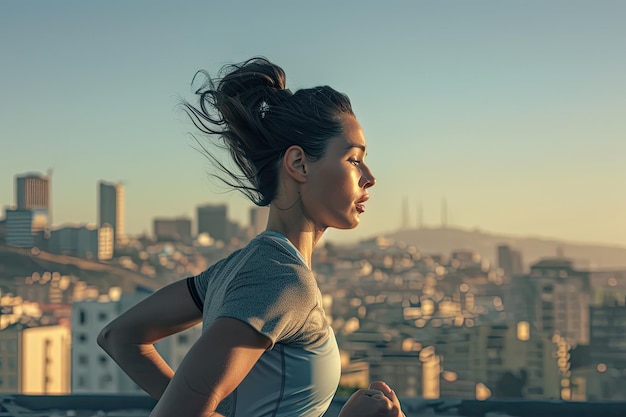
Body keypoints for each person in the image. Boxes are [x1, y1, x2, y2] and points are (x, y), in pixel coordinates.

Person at [98, 57, 403, 417]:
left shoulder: (238, 268)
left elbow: (120, 337)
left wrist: (207, 408)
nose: (369, 176)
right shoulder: (279, 279)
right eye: (354, 160)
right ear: (299, 165)